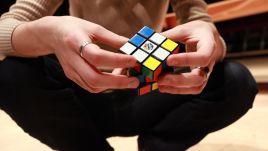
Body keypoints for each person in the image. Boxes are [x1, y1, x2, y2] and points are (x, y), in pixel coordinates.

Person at [0, 0, 258, 151]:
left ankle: (157, 146)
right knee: (8, 71)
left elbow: (201, 22)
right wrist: (46, 32)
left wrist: (211, 41)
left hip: (146, 92)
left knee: (235, 81)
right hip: (78, 98)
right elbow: (6, 27)